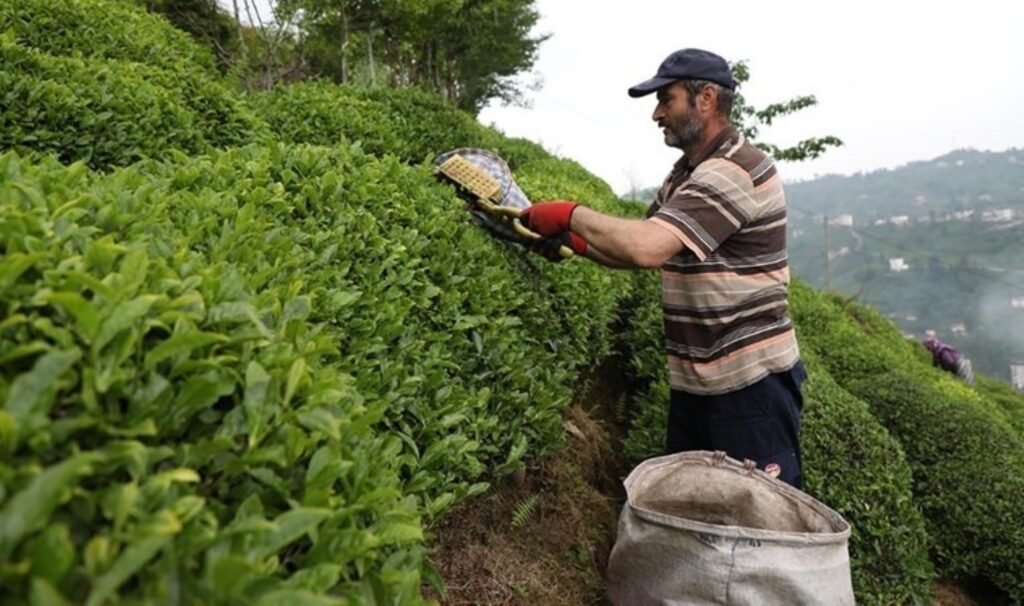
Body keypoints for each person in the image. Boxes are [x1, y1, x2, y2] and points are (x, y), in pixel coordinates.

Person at [520, 48, 807, 488]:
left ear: (706, 99)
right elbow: (648, 246)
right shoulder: (687, 174)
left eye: (666, 99)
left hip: (749, 388)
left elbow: (647, 248)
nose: (657, 114)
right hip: (699, 383)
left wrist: (570, 214)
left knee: (756, 523)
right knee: (696, 511)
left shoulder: (734, 170)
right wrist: (574, 244)